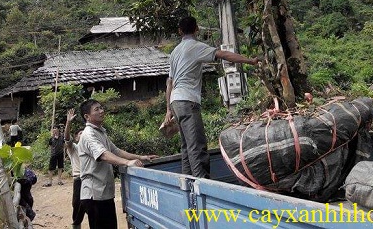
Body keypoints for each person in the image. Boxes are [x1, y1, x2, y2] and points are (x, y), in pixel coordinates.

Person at [164, 16, 259, 178]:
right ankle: (202, 185)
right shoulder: (196, 47)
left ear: (180, 31)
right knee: (197, 146)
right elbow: (224, 55)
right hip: (187, 101)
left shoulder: (174, 52)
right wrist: (250, 60)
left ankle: (188, 185)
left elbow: (169, 83)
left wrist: (168, 110)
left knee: (187, 147)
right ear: (197, 29)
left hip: (175, 101)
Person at [78, 99, 158, 229]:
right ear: (87, 116)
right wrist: (127, 163)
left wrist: (140, 157)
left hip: (103, 193)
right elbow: (103, 154)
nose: (102, 111)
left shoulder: (100, 131)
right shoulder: (88, 134)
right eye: (97, 109)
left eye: (101, 107)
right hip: (95, 195)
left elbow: (115, 151)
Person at [65, 108, 86, 229]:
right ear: (76, 138)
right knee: (77, 205)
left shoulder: (91, 149)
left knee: (92, 205)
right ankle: (76, 225)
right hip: (78, 179)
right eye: (80, 134)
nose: (82, 136)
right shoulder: (74, 148)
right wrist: (68, 123)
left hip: (90, 179)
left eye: (85, 134)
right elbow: (67, 138)